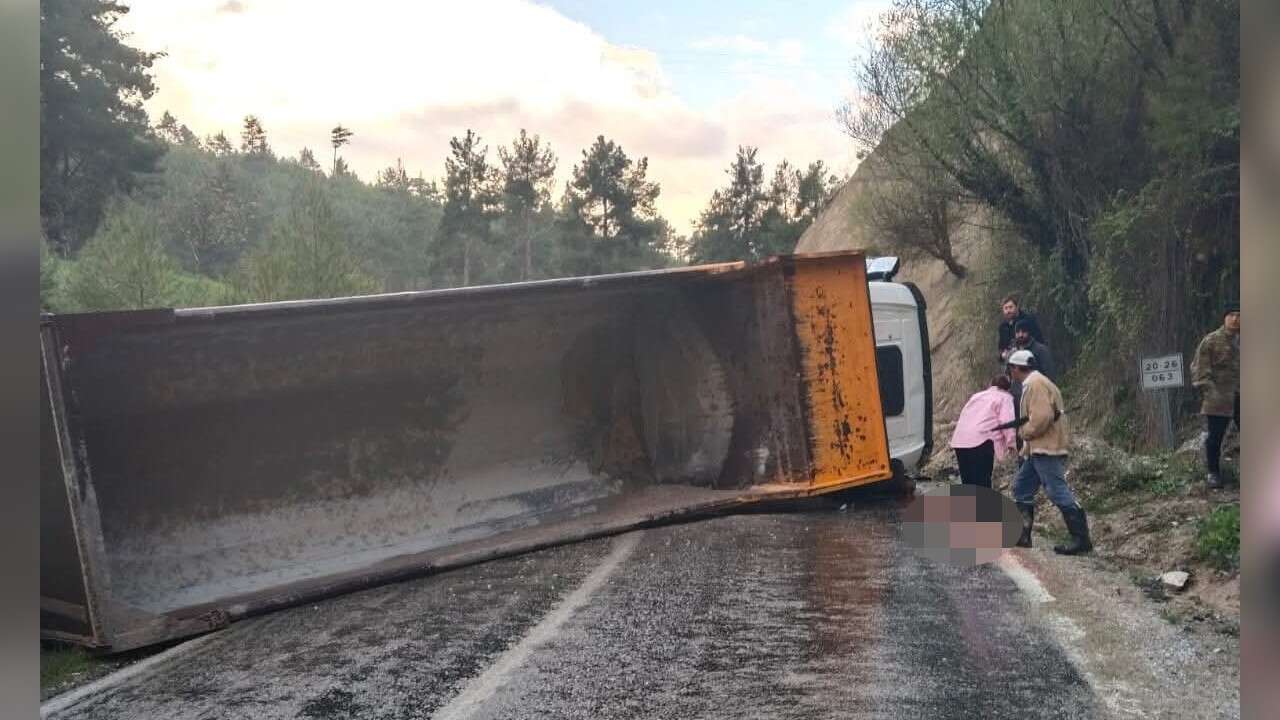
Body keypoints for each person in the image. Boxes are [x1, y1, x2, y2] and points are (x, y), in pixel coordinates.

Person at [1006, 349, 1091, 555]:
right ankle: (1023, 536)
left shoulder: (1035, 385)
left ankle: (1081, 541)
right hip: (1038, 448)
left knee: (1057, 491)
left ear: (1017, 368)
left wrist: (1024, 433)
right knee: (1021, 487)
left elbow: (1041, 418)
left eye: (1011, 368)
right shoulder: (1037, 382)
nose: (1010, 372)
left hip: (1046, 448)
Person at [1191, 303, 1240, 490]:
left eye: (1239, 315)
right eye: (1232, 315)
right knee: (1215, 437)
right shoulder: (1211, 341)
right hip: (1218, 396)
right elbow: (1200, 370)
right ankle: (1213, 473)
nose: (1236, 319)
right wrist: (1211, 392)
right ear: (1225, 318)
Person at [950, 375, 1018, 488]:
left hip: (960, 440)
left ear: (991, 384)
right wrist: (1011, 443)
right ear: (1008, 388)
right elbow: (1006, 422)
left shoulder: (977, 396)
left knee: (968, 482)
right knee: (982, 481)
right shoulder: (1005, 397)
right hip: (981, 441)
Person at [997, 296, 1045, 364]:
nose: (1008, 311)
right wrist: (1002, 355)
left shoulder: (1028, 320)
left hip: (1031, 360)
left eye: (1010, 307)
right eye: (1006, 308)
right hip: (1012, 364)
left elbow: (1039, 340)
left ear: (1016, 307)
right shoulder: (1003, 327)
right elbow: (1001, 348)